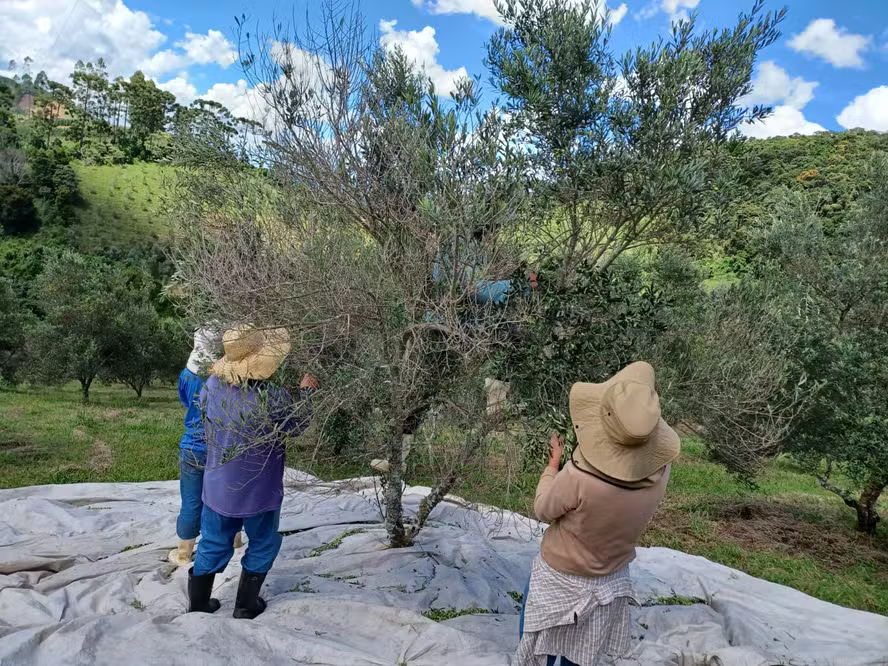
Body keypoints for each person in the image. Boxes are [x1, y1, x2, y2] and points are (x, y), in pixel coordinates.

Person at [516, 362, 680, 666]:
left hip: (560, 575)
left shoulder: (580, 477)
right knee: (579, 653)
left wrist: (553, 466)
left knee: (535, 632)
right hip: (610, 578)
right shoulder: (662, 471)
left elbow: (543, 509)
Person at [187, 324, 317, 619]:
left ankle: (197, 605)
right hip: (260, 490)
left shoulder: (211, 386)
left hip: (218, 485)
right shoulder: (271, 397)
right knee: (263, 541)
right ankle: (245, 606)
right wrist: (307, 394)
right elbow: (296, 426)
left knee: (212, 541)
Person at [169, 327, 243, 566]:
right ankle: (233, 542)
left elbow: (185, 401)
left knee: (191, 500)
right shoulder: (230, 376)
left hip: (192, 445)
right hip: (223, 445)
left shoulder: (187, 375)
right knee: (226, 495)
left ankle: (184, 553)